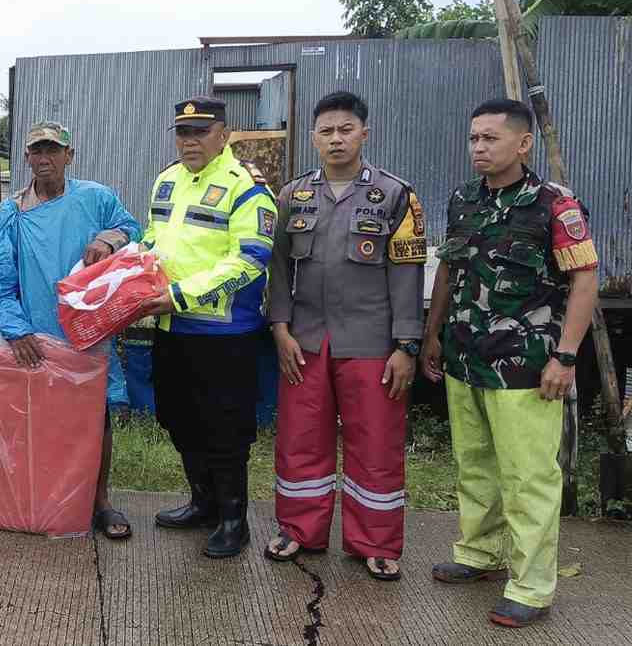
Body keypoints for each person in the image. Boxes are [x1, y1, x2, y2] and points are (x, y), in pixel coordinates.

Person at [423, 99, 597, 628]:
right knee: (475, 464)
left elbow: (584, 280)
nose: (478, 147)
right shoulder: (463, 200)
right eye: (474, 138)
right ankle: (480, 552)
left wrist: (566, 356)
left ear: (523, 144)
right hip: (465, 356)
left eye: (490, 138)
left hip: (526, 364)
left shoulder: (554, 204)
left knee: (527, 477)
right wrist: (432, 335)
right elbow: (448, 273)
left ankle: (532, 586)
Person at [265, 91, 425, 580]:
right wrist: (280, 328)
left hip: (372, 343)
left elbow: (407, 275)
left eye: (346, 129)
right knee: (300, 440)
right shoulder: (292, 196)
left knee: (376, 444)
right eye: (327, 131)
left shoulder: (395, 196)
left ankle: (376, 542)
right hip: (305, 341)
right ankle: (299, 530)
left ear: (364, 134)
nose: (336, 139)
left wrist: (406, 346)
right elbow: (277, 269)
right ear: (313, 138)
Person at [0, 121, 141, 538]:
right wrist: (17, 331)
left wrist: (108, 240)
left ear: (69, 156)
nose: (44, 158)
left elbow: (133, 230)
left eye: (53, 150)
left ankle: (100, 501)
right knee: (37, 423)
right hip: (34, 339)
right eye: (36, 151)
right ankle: (44, 503)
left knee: (95, 420)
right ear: (26, 157)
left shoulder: (96, 198)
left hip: (89, 334)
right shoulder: (11, 212)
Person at [141, 96, 277, 558]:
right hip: (170, 327)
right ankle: (202, 503)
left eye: (200, 132)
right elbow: (154, 238)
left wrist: (180, 295)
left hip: (224, 335)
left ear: (224, 134)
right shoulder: (166, 180)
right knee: (178, 418)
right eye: (183, 132)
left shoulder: (247, 187)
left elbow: (251, 261)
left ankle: (234, 520)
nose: (190, 141)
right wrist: (132, 272)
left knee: (225, 429)